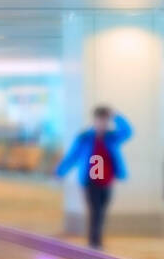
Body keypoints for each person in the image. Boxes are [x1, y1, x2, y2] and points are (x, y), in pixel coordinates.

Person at [55, 106, 132, 248]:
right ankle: (94, 242)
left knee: (102, 211)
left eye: (105, 120)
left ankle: (96, 240)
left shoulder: (111, 137)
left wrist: (116, 116)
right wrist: (61, 171)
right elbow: (73, 155)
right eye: (100, 120)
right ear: (94, 120)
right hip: (90, 181)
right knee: (95, 210)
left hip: (107, 181)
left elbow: (128, 131)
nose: (102, 123)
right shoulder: (85, 138)